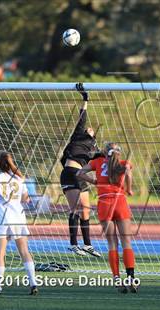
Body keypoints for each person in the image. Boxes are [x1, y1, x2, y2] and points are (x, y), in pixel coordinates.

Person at [77, 143, 139, 293]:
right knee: (126, 241)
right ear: (119, 153)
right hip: (120, 201)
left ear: (104, 152)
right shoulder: (124, 163)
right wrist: (129, 189)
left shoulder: (97, 162)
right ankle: (131, 278)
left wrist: (94, 182)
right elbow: (129, 173)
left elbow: (79, 173)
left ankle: (117, 279)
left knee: (112, 243)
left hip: (104, 202)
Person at [0, 151, 38, 295]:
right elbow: (26, 199)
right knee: (24, 251)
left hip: (3, 220)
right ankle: (33, 284)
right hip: (19, 218)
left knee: (0, 254)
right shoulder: (19, 179)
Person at [60, 83, 101, 257]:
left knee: (86, 209)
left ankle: (87, 245)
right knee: (75, 209)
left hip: (80, 177)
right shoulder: (78, 136)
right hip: (70, 174)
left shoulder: (93, 150)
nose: (89, 127)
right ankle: (73, 244)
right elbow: (82, 117)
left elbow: (104, 158)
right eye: (87, 128)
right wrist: (85, 98)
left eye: (92, 130)